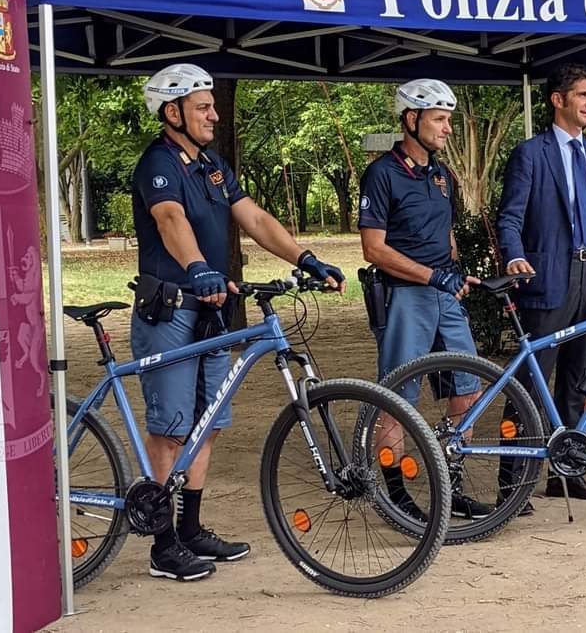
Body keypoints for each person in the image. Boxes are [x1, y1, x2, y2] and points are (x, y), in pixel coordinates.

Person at [132, 63, 344, 582]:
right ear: (172, 111)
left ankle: (192, 529)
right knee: (172, 428)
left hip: (210, 310)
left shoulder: (212, 166)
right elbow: (170, 219)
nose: (213, 114)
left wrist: (305, 257)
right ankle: (163, 546)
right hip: (172, 308)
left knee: (207, 424)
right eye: (202, 107)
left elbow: (255, 219)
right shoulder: (159, 162)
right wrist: (198, 266)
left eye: (211, 105)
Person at [497, 62, 586, 506]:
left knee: (577, 381)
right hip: (545, 279)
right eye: (583, 95)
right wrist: (515, 255)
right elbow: (510, 218)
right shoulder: (531, 153)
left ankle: (568, 473)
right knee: (530, 383)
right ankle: (513, 485)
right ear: (557, 100)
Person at [358, 77, 492, 521]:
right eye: (439, 119)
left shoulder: (441, 175)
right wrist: (431, 275)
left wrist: (453, 269)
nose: (447, 129)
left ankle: (448, 486)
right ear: (411, 119)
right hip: (404, 297)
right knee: (397, 400)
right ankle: (395, 497)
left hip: (445, 295)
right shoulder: (381, 173)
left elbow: (447, 235)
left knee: (467, 393)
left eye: (449, 120)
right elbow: (374, 249)